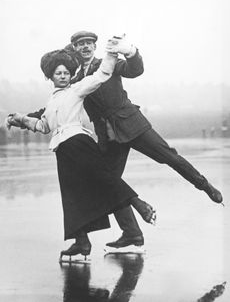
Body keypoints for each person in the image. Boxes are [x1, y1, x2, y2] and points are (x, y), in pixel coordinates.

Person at [17, 31, 224, 250]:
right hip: (108, 136)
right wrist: (22, 119)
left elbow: (135, 70)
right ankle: (132, 234)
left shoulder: (109, 64)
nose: (85, 47)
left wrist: (131, 52)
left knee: (169, 157)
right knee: (109, 183)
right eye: (80, 44)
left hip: (131, 123)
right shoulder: (74, 79)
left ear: (95, 47)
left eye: (89, 43)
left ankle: (205, 186)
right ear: (75, 49)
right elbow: (53, 108)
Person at [6, 43, 155, 261]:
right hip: (62, 150)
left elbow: (102, 74)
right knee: (72, 197)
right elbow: (43, 126)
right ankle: (82, 242)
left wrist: (112, 53)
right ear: (51, 77)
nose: (64, 76)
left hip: (79, 142)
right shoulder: (51, 102)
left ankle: (140, 206)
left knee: (105, 179)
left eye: (66, 73)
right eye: (59, 73)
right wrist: (18, 118)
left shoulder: (77, 89)